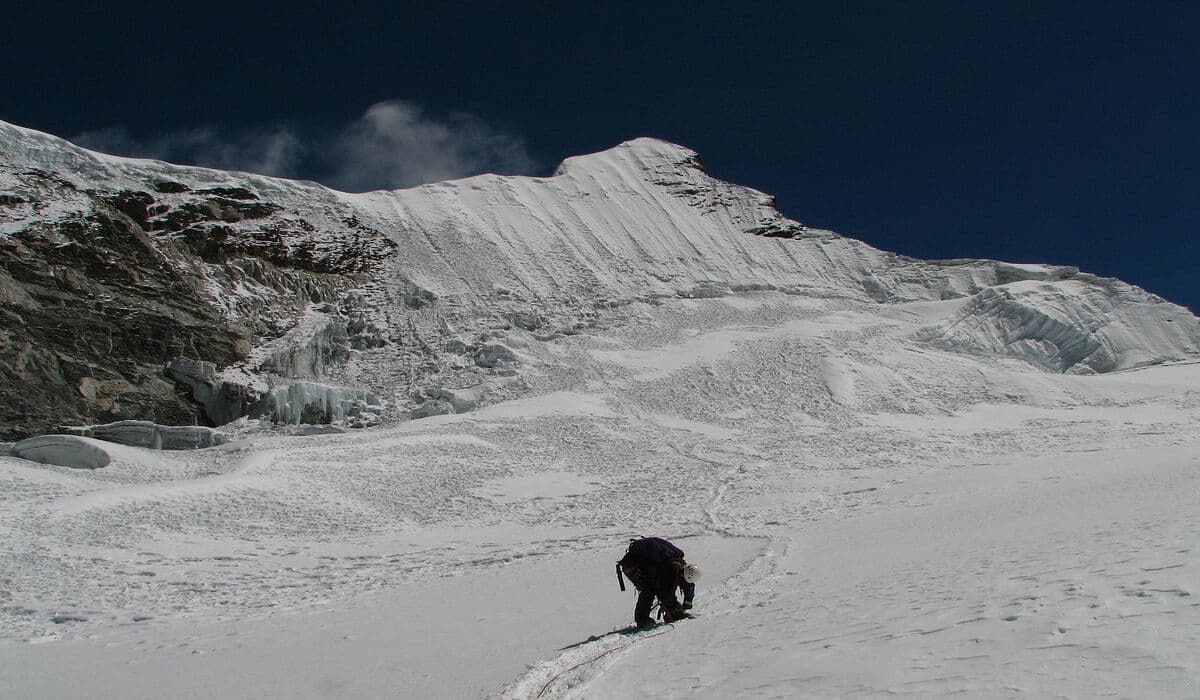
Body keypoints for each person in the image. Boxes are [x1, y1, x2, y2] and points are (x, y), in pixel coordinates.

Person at [616, 536, 700, 629]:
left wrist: (688, 599)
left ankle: (665, 614)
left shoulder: (679, 563)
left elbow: (688, 584)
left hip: (647, 563)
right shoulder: (670, 569)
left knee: (653, 587)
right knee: (648, 590)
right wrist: (674, 608)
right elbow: (663, 590)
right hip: (632, 566)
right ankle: (642, 620)